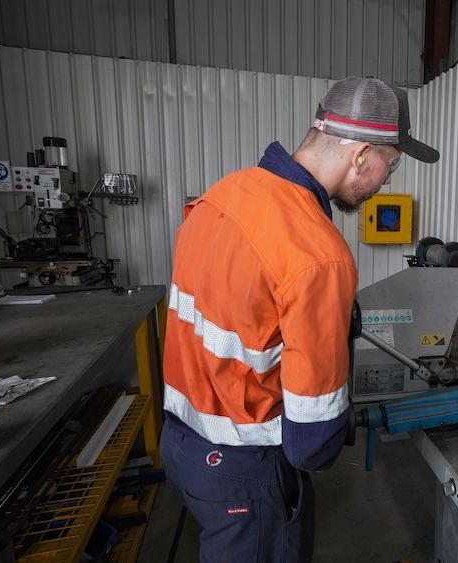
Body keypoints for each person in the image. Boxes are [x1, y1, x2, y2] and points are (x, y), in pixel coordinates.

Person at [159, 77, 439, 562]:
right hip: (245, 473)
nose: (388, 180)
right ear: (360, 157)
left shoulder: (223, 196)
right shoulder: (317, 254)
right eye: (390, 165)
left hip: (182, 447)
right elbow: (311, 445)